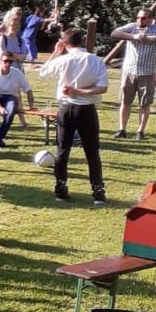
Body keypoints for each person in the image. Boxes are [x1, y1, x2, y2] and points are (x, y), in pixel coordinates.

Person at [39, 28, 109, 203]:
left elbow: (43, 72)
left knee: (63, 150)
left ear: (64, 43)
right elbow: (102, 88)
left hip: (66, 108)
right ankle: (98, 191)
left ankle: (60, 189)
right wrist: (80, 92)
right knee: (92, 151)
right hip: (87, 109)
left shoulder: (63, 59)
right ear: (82, 41)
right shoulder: (96, 61)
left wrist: (56, 52)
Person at [110, 7, 156, 139]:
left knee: (145, 104)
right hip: (129, 71)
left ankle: (140, 132)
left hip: (147, 72)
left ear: (151, 19)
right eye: (138, 17)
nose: (140, 20)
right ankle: (122, 129)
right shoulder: (132, 27)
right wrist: (134, 36)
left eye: (143, 18)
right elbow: (114, 33)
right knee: (125, 102)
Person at [0, 50, 34, 147]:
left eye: (10, 61)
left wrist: (31, 105)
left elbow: (28, 90)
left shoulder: (17, 73)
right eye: (5, 61)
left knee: (10, 110)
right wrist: (0, 108)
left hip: (10, 96)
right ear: (0, 61)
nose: (8, 64)